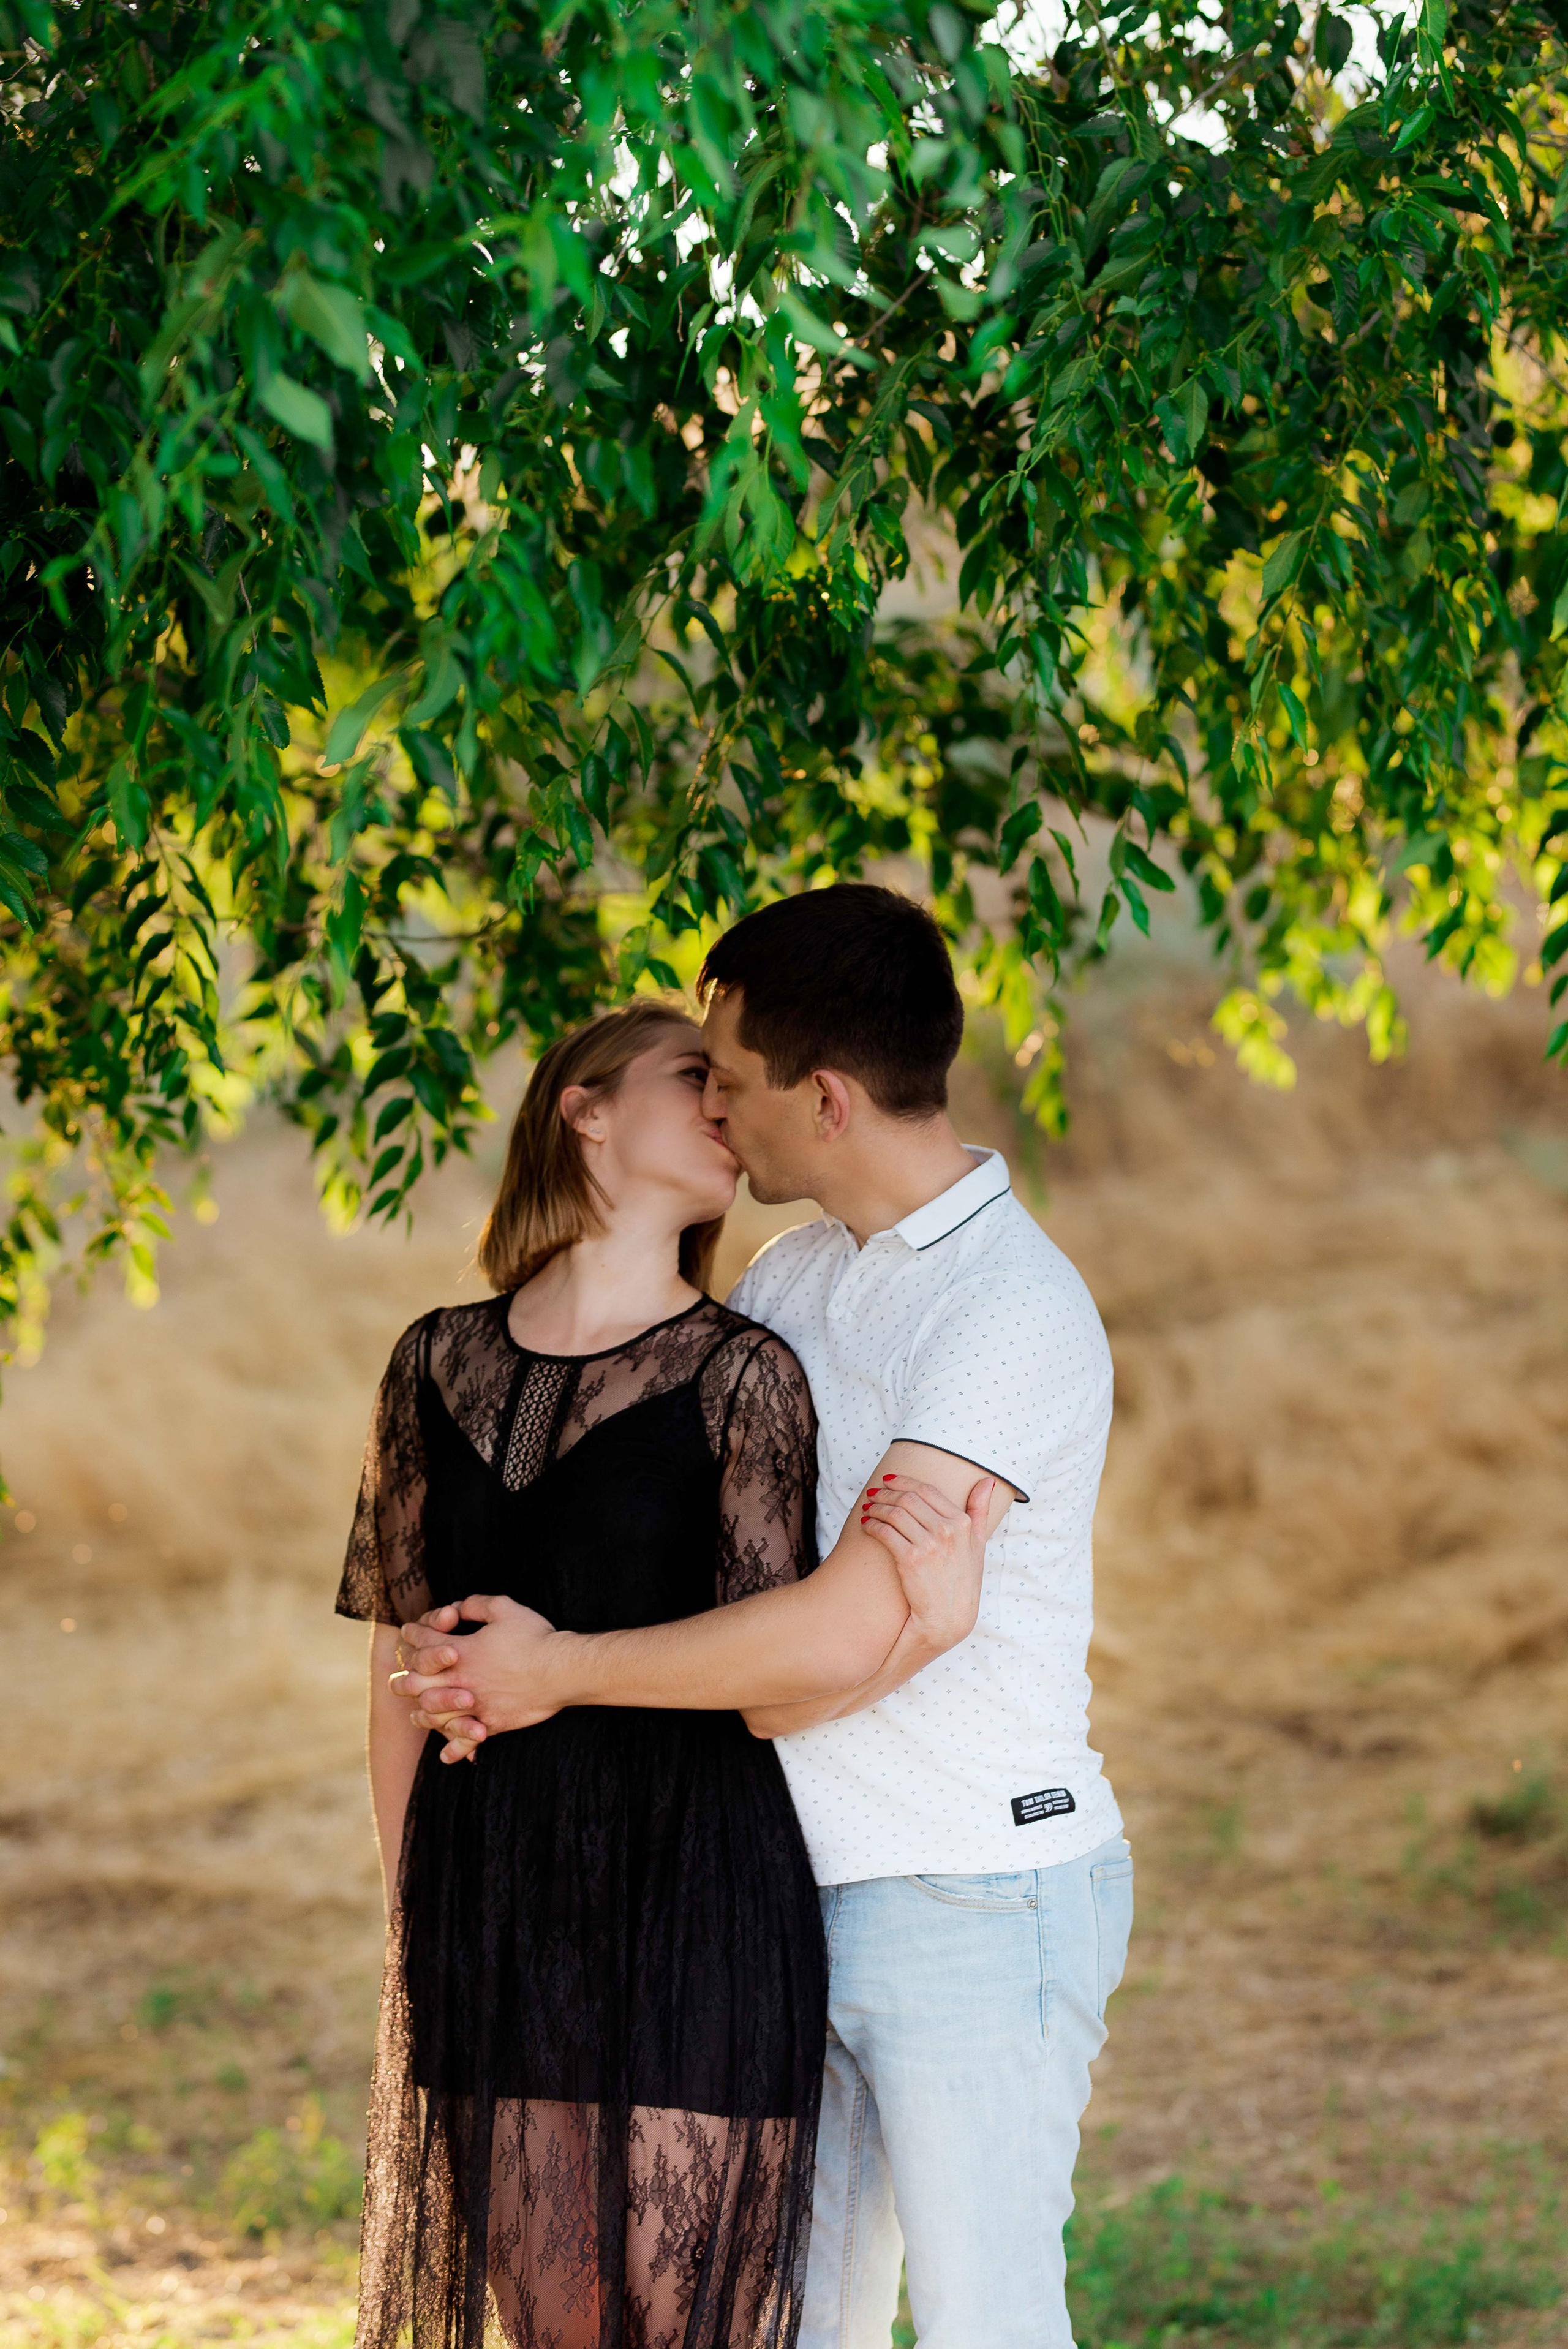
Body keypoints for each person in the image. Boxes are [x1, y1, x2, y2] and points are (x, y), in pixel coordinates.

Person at [395, 885, 1131, 2349]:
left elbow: (818, 1645)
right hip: (777, 1904)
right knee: (794, 2331)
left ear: (829, 1098)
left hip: (968, 1891)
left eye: (729, 1080)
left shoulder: (1008, 1309)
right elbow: (768, 1619)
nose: (717, 1110)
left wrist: (572, 1671)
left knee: (988, 2327)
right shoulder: (793, 1281)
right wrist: (860, 1645)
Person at [339, 998, 979, 2349]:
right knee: (559, 2331)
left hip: (689, 1894)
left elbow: (767, 1677)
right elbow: (404, 1666)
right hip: (496, 1908)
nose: (724, 1104)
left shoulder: (745, 1377)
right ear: (582, 1107)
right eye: (693, 1076)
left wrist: (920, 1628)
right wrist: (417, 1915)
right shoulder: (430, 1360)